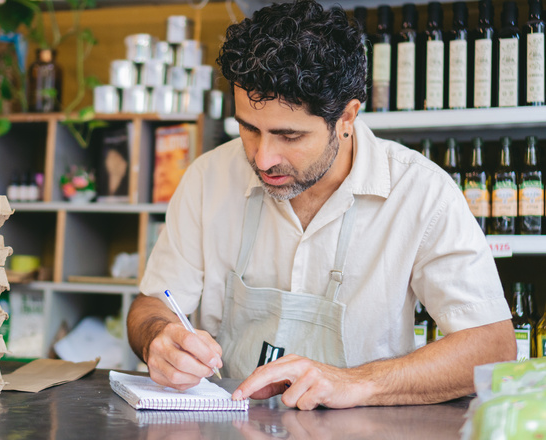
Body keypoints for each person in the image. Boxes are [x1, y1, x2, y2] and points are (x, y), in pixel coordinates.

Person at [127, 0, 516, 410]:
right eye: (249, 128)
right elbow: (151, 305)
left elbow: (491, 345)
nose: (262, 158)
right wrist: (159, 338)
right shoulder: (208, 178)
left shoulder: (421, 193)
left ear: (347, 117)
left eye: (289, 136)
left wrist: (357, 383)